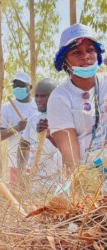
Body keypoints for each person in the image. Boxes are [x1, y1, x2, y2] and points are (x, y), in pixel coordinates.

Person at [48, 23, 106, 177]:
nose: (85, 56)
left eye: (90, 50)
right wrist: (79, 185)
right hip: (89, 181)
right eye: (76, 52)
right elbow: (71, 158)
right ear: (64, 61)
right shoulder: (59, 98)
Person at [17, 79, 61, 190]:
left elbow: (69, 150)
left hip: (57, 182)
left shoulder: (63, 118)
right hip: (35, 183)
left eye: (43, 96)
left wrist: (49, 136)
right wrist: (21, 172)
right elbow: (23, 145)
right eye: (36, 96)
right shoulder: (33, 119)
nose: (38, 100)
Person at [0, 72, 37, 186]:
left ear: (30, 87)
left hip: (37, 162)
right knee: (16, 197)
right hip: (15, 163)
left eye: (21, 85)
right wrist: (17, 128)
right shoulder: (6, 108)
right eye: (15, 85)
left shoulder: (38, 105)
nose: (17, 88)